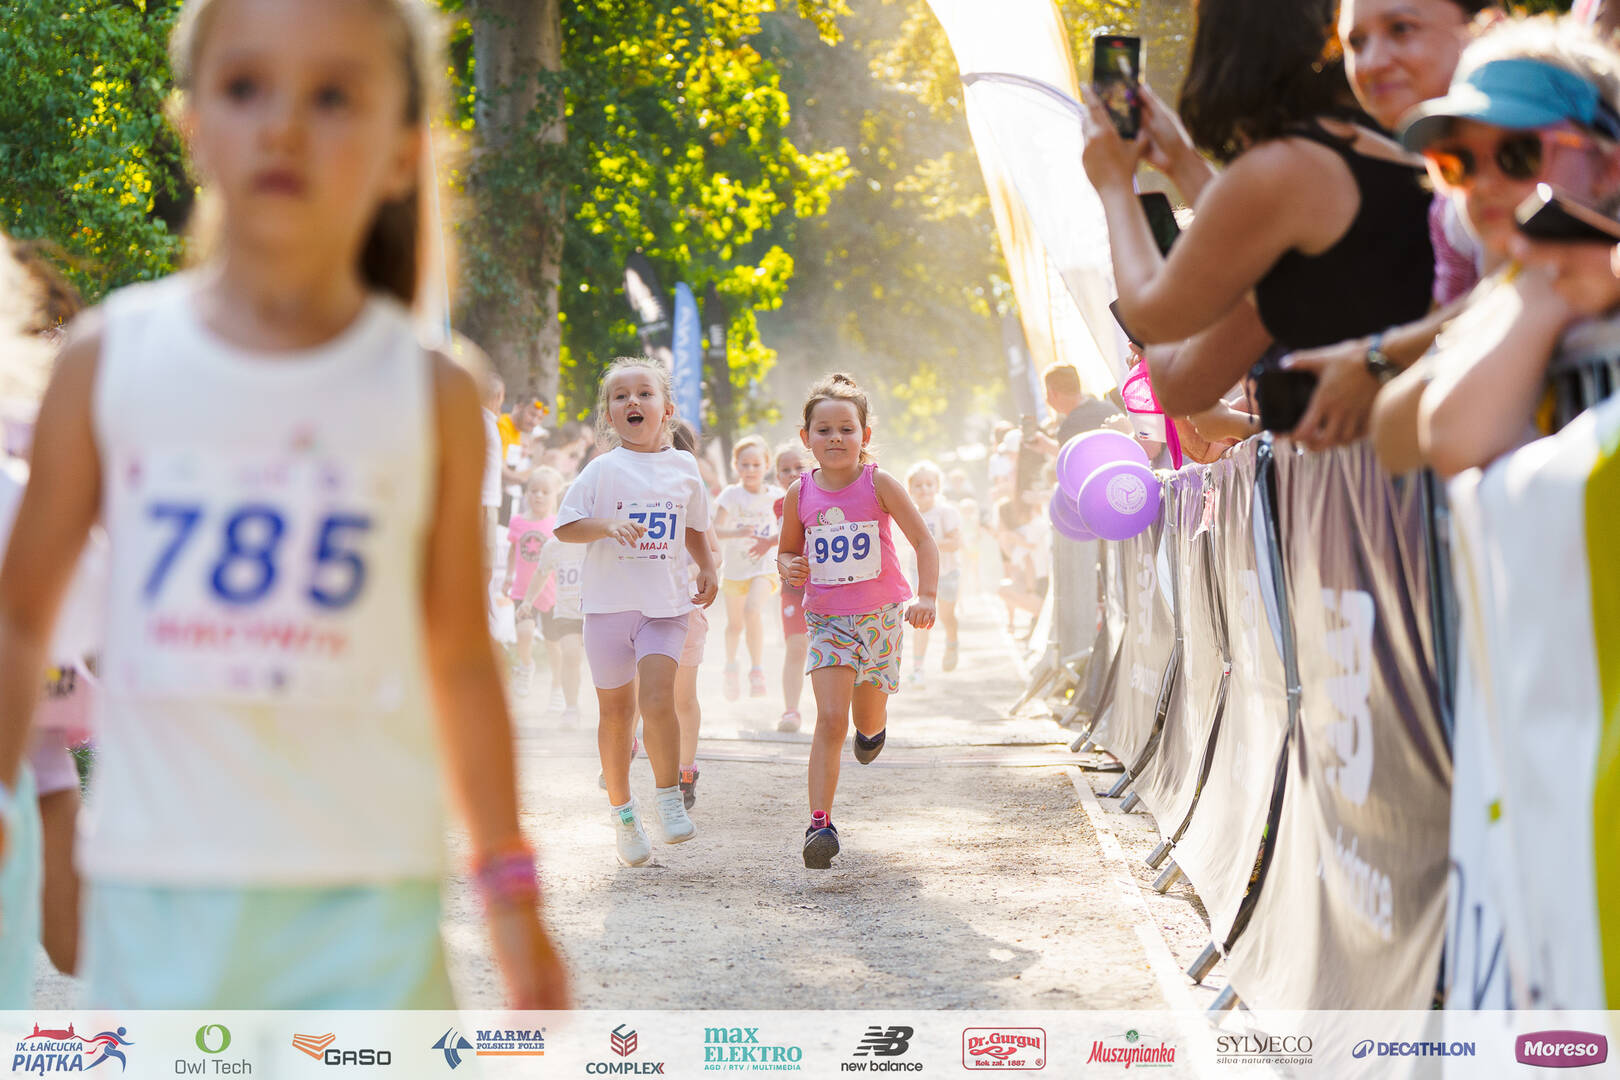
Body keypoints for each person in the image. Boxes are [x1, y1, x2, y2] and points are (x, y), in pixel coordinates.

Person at [0, 0, 568, 1008]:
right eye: (245, 87)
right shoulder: (108, 360)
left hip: (367, 909)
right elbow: (19, 615)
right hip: (156, 907)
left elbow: (459, 659)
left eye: (334, 95)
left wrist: (511, 893)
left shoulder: (434, 395)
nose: (284, 127)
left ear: (405, 152)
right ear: (192, 124)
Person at [1088, 0, 1435, 421]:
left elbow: (1154, 324)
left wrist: (1115, 184)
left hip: (1373, 450)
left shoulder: (1283, 168)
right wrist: (1181, 160)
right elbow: (1255, 236)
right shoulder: (1379, 149)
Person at [1370, 16, 1620, 473]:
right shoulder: (1507, 284)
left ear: (1609, 167)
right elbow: (1392, 436)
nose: (1483, 183)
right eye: (1458, 163)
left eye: (1518, 154)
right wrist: (1512, 299)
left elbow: (1453, 438)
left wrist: (1542, 295)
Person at [553, 357, 718, 867]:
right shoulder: (602, 469)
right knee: (617, 715)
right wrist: (605, 526)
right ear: (609, 414)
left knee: (658, 698)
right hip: (607, 609)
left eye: (645, 393)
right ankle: (624, 814)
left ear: (666, 409)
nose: (633, 402)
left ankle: (669, 799)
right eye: (620, 396)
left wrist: (708, 566)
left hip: (665, 607)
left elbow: (693, 526)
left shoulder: (684, 468)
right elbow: (565, 526)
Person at [777, 374, 938, 869]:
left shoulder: (878, 484)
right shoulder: (799, 492)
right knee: (830, 718)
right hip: (827, 621)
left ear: (864, 435)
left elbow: (923, 541)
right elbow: (787, 552)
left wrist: (927, 595)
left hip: (881, 619)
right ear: (806, 438)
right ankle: (819, 824)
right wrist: (789, 566)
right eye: (823, 430)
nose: (835, 438)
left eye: (846, 429)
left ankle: (873, 731)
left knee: (865, 720)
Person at [670, 419, 719, 810]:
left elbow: (714, 552)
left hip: (684, 610)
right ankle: (623, 748)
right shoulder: (623, 488)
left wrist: (695, 571)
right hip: (637, 607)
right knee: (635, 691)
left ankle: (686, 771)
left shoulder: (692, 496)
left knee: (682, 697)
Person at [712, 434, 781, 701]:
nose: (750, 470)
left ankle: (757, 669)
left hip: (765, 566)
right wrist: (736, 532)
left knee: (753, 609)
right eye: (745, 464)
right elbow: (714, 530)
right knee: (734, 625)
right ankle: (731, 666)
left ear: (767, 466)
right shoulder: (731, 495)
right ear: (735, 466)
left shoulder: (778, 496)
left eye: (756, 464)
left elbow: (790, 526)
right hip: (735, 570)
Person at [519, 496, 585, 727]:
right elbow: (541, 573)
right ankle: (571, 708)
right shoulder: (553, 545)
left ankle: (610, 709)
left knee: (603, 665)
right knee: (571, 655)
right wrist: (528, 601)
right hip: (567, 613)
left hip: (595, 612)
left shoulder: (597, 542)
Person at [502, 468, 563, 697]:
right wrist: (508, 576)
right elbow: (513, 551)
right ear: (526, 493)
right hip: (522, 591)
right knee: (524, 632)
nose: (538, 495)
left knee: (553, 643)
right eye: (533, 490)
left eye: (545, 492)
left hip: (551, 593)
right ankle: (526, 665)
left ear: (555, 495)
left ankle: (558, 685)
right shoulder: (517, 522)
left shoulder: (557, 524)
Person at [904, 461, 963, 680]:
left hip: (947, 572)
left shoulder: (946, 512)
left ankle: (952, 642)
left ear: (937, 486)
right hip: (919, 571)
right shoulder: (908, 513)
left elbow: (955, 543)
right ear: (910, 489)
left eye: (929, 484)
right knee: (921, 618)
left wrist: (926, 545)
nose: (924, 489)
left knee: (947, 615)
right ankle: (918, 668)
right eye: (918, 485)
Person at [771, 442, 811, 733]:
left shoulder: (827, 497)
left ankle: (836, 712)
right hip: (793, 586)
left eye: (799, 467)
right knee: (796, 647)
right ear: (777, 477)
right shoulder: (780, 504)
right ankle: (791, 710)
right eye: (785, 470)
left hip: (828, 587)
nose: (792, 473)